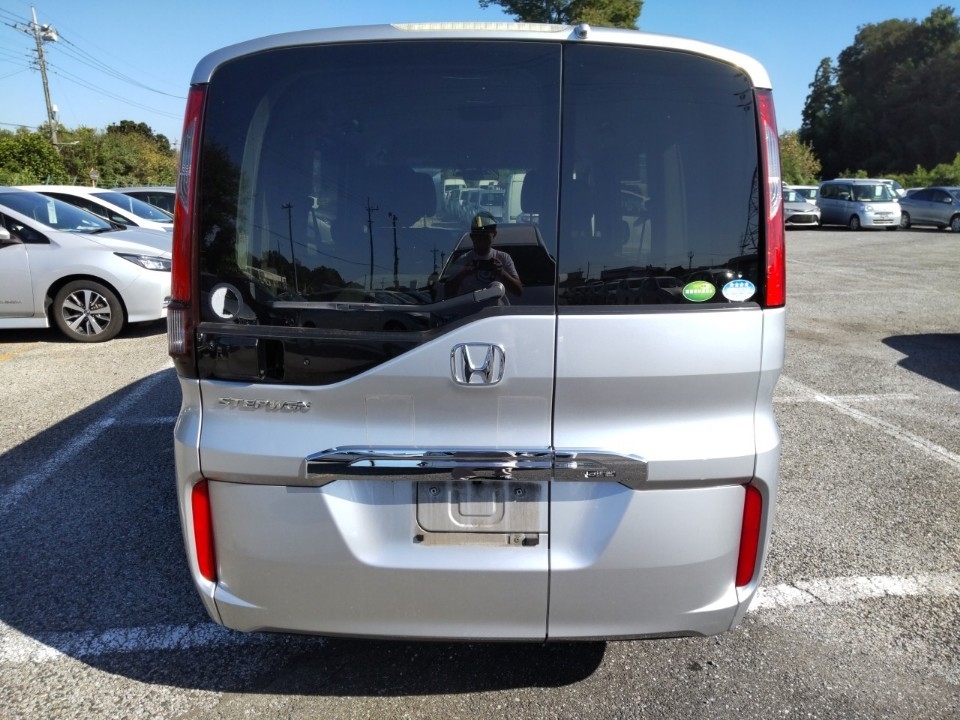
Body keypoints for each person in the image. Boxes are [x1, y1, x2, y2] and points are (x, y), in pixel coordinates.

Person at [444, 212, 523, 299]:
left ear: (494, 235)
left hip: (497, 308)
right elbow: (447, 293)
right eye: (478, 237)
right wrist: (463, 273)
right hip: (471, 307)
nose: (482, 242)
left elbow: (519, 291)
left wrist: (501, 272)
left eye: (486, 237)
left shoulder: (504, 258)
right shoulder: (463, 260)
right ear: (472, 237)